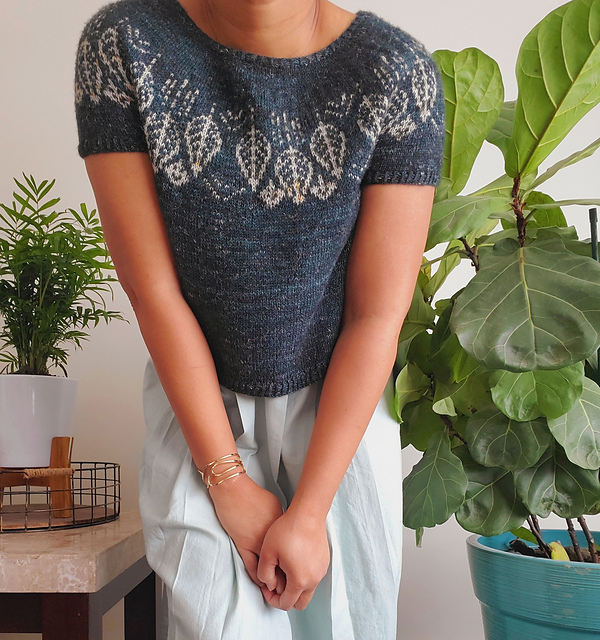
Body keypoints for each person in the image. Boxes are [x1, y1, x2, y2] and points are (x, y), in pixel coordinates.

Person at [74, 0, 445, 637]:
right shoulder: (123, 45)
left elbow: (375, 315)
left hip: (338, 415)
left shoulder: (396, 73)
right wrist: (226, 480)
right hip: (198, 406)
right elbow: (154, 291)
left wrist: (311, 512)